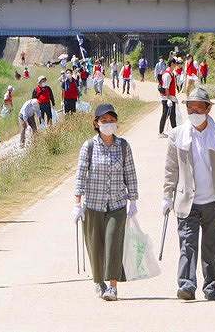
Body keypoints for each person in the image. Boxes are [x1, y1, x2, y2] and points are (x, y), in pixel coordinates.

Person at [162, 87, 215, 301]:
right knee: (187, 244)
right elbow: (171, 169)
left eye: (199, 108)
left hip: (213, 201)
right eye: (191, 108)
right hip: (186, 201)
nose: (194, 112)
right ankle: (187, 286)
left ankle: (211, 287)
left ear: (208, 109)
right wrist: (166, 196)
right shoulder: (177, 135)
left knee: (211, 247)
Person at [72, 103, 138, 301]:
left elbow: (130, 174)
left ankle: (113, 287)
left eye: (111, 121)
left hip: (117, 205)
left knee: (113, 244)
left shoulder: (123, 146)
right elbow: (80, 175)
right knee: (95, 246)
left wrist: (133, 200)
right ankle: (98, 282)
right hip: (93, 205)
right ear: (96, 123)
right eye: (104, 121)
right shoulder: (89, 147)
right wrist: (77, 203)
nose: (108, 124)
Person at [159, 58, 179, 138]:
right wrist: (168, 99)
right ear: (172, 64)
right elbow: (166, 88)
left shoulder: (171, 73)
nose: (176, 65)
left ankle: (175, 132)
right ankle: (161, 132)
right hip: (167, 98)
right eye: (175, 64)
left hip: (170, 98)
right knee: (165, 115)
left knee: (172, 116)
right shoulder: (167, 75)